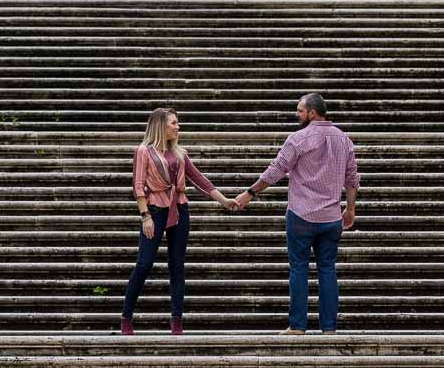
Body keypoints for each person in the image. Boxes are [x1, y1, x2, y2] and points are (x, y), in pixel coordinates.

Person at [235, 93, 360, 335]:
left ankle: (298, 326)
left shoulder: (298, 138)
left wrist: (250, 192)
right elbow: (352, 177)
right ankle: (329, 327)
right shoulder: (344, 139)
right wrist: (350, 208)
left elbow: (276, 170)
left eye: (300, 110)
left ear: (312, 113)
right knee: (327, 270)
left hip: (301, 214)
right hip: (331, 216)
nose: (297, 114)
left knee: (299, 269)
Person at [121, 106, 239, 335]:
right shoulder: (143, 151)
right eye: (174, 123)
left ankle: (177, 320)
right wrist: (145, 216)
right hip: (154, 210)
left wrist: (224, 201)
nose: (178, 127)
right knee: (144, 263)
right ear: (160, 126)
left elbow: (198, 179)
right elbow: (137, 185)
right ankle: (126, 316)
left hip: (180, 209)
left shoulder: (180, 153)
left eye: (177, 123)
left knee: (177, 266)